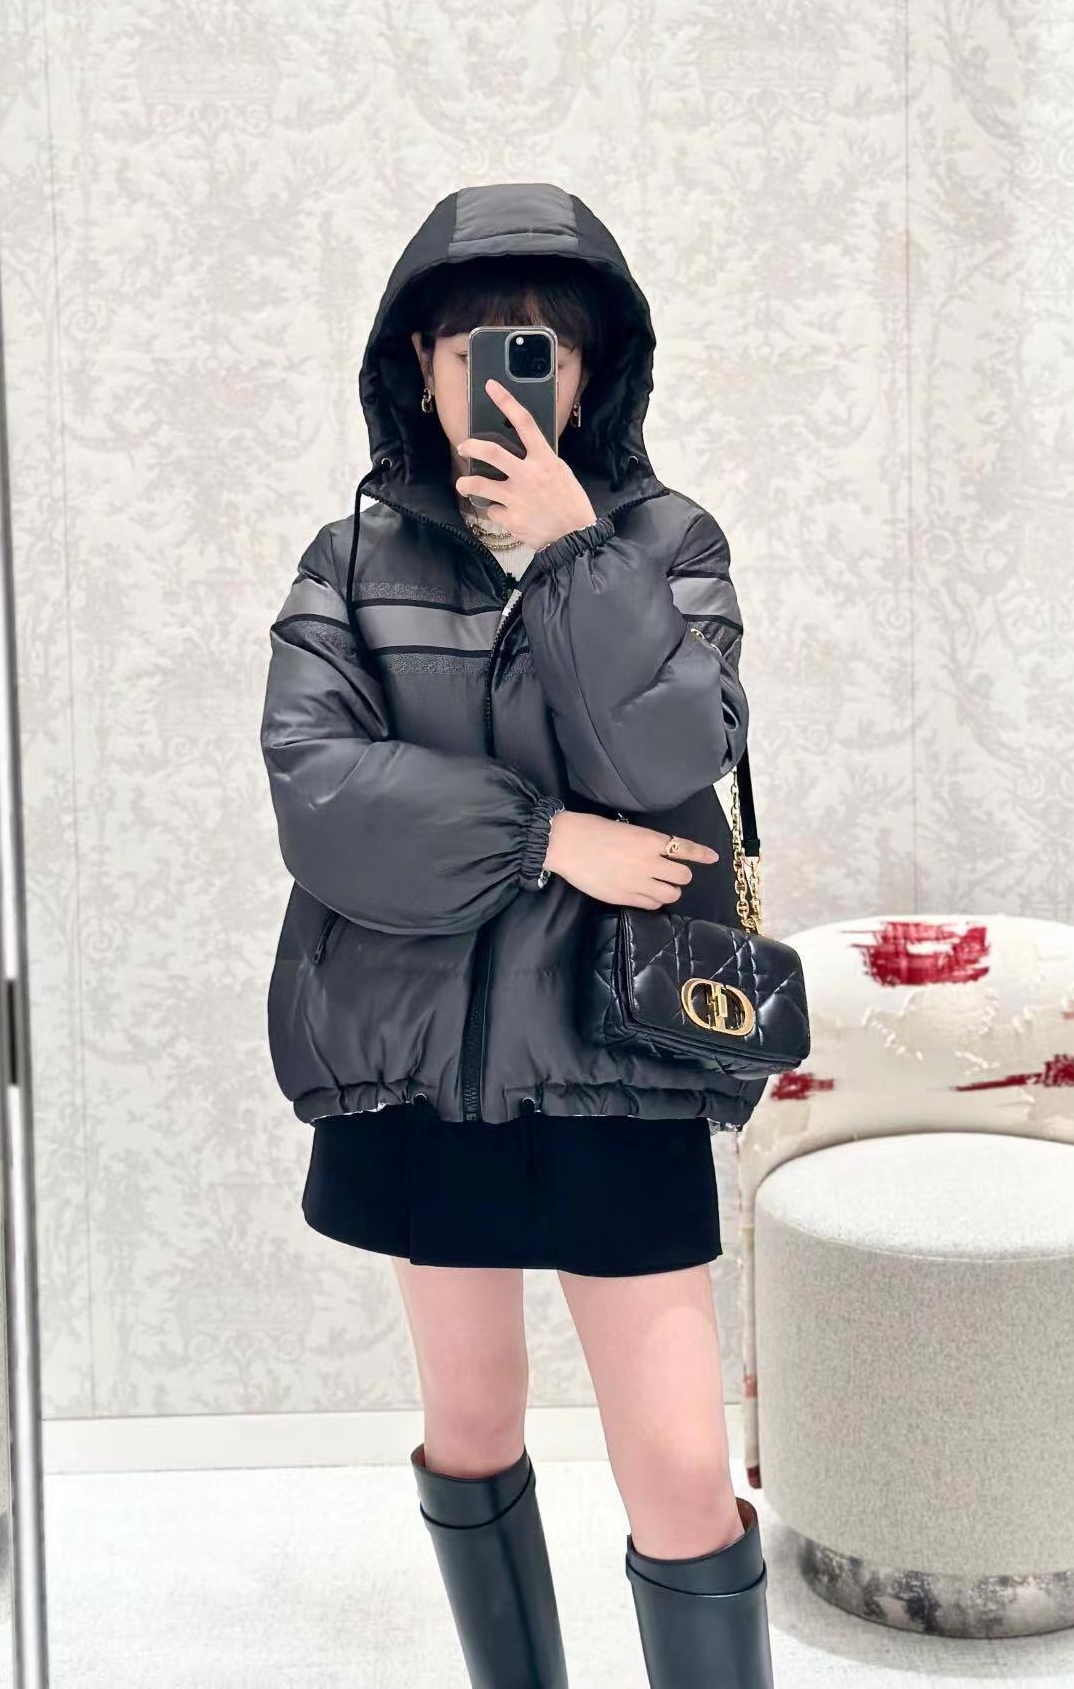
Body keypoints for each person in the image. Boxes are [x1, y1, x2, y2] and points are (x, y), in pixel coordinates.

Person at [260, 181, 773, 1688]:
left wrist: (574, 555)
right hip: (418, 1058)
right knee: (471, 1425)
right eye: (476, 346)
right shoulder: (349, 559)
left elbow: (670, 755)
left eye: (545, 349)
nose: (507, 376)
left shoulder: (667, 542)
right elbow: (317, 791)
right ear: (417, 365)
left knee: (681, 1472)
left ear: (596, 373)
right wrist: (547, 840)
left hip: (621, 1052)